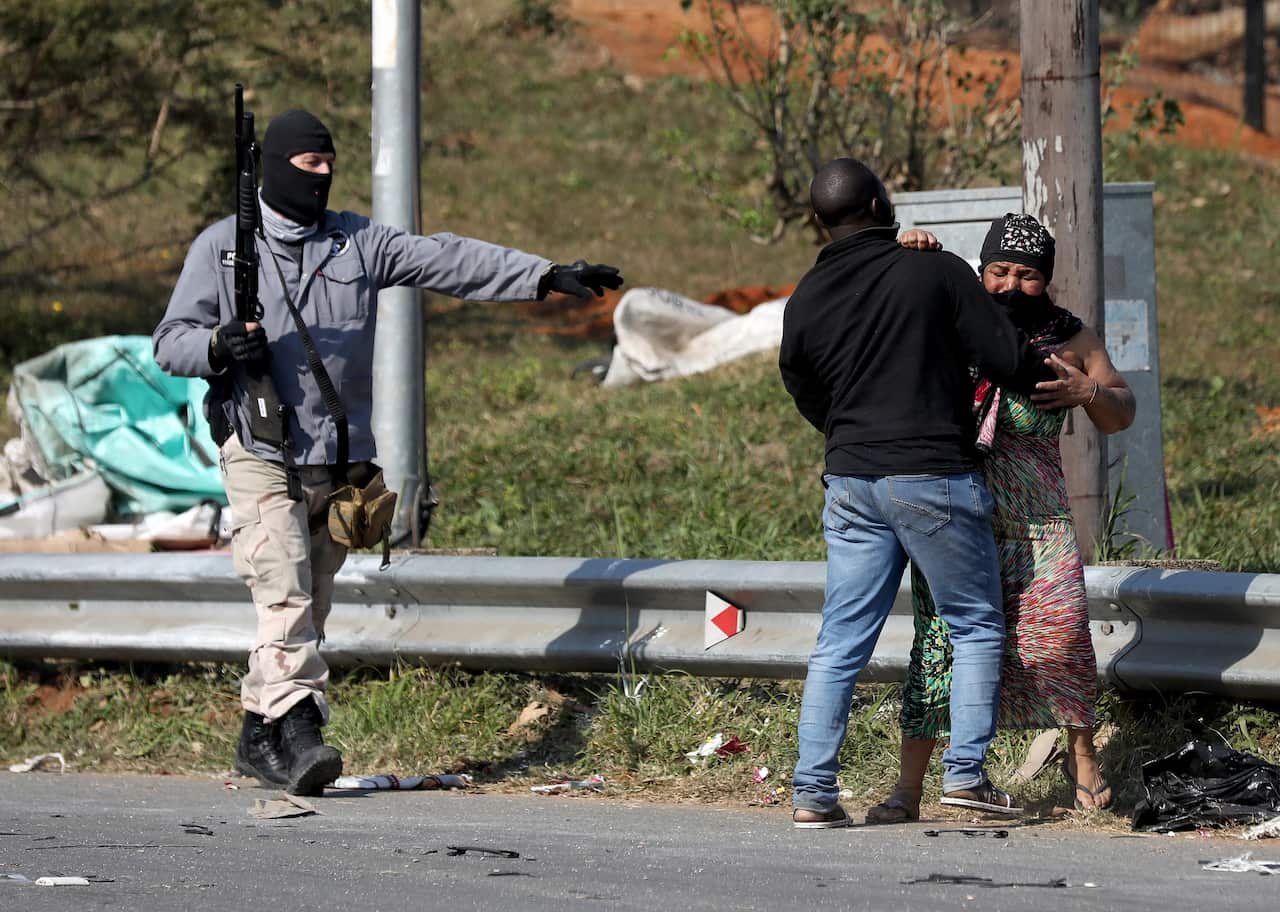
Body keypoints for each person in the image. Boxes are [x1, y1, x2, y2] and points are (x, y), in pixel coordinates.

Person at [153, 108, 622, 796]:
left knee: (306, 605)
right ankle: (304, 728)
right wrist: (220, 344)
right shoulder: (224, 248)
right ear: (276, 167)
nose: (322, 175)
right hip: (259, 450)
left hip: (339, 460)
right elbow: (170, 342)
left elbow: (450, 259)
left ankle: (259, 734)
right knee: (282, 594)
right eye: (308, 165)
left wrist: (545, 275)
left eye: (328, 163)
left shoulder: (357, 243)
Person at [779, 159, 1060, 828]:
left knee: (841, 638)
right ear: (881, 201)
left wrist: (849, 432)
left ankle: (813, 792)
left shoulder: (808, 294)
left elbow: (800, 381)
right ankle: (965, 777)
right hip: (933, 475)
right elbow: (1005, 359)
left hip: (849, 478)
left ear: (820, 221)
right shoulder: (934, 271)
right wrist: (1064, 375)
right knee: (976, 625)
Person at [865, 213, 1136, 823]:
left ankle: (1081, 757)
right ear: (981, 270)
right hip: (956, 514)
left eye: (1029, 275)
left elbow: (1123, 411)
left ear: (1048, 278)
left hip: (1040, 521)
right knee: (940, 648)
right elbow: (895, 298)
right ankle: (911, 787)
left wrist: (1090, 394)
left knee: (1060, 640)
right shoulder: (952, 319)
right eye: (998, 271)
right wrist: (909, 249)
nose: (1011, 285)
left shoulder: (1072, 341)